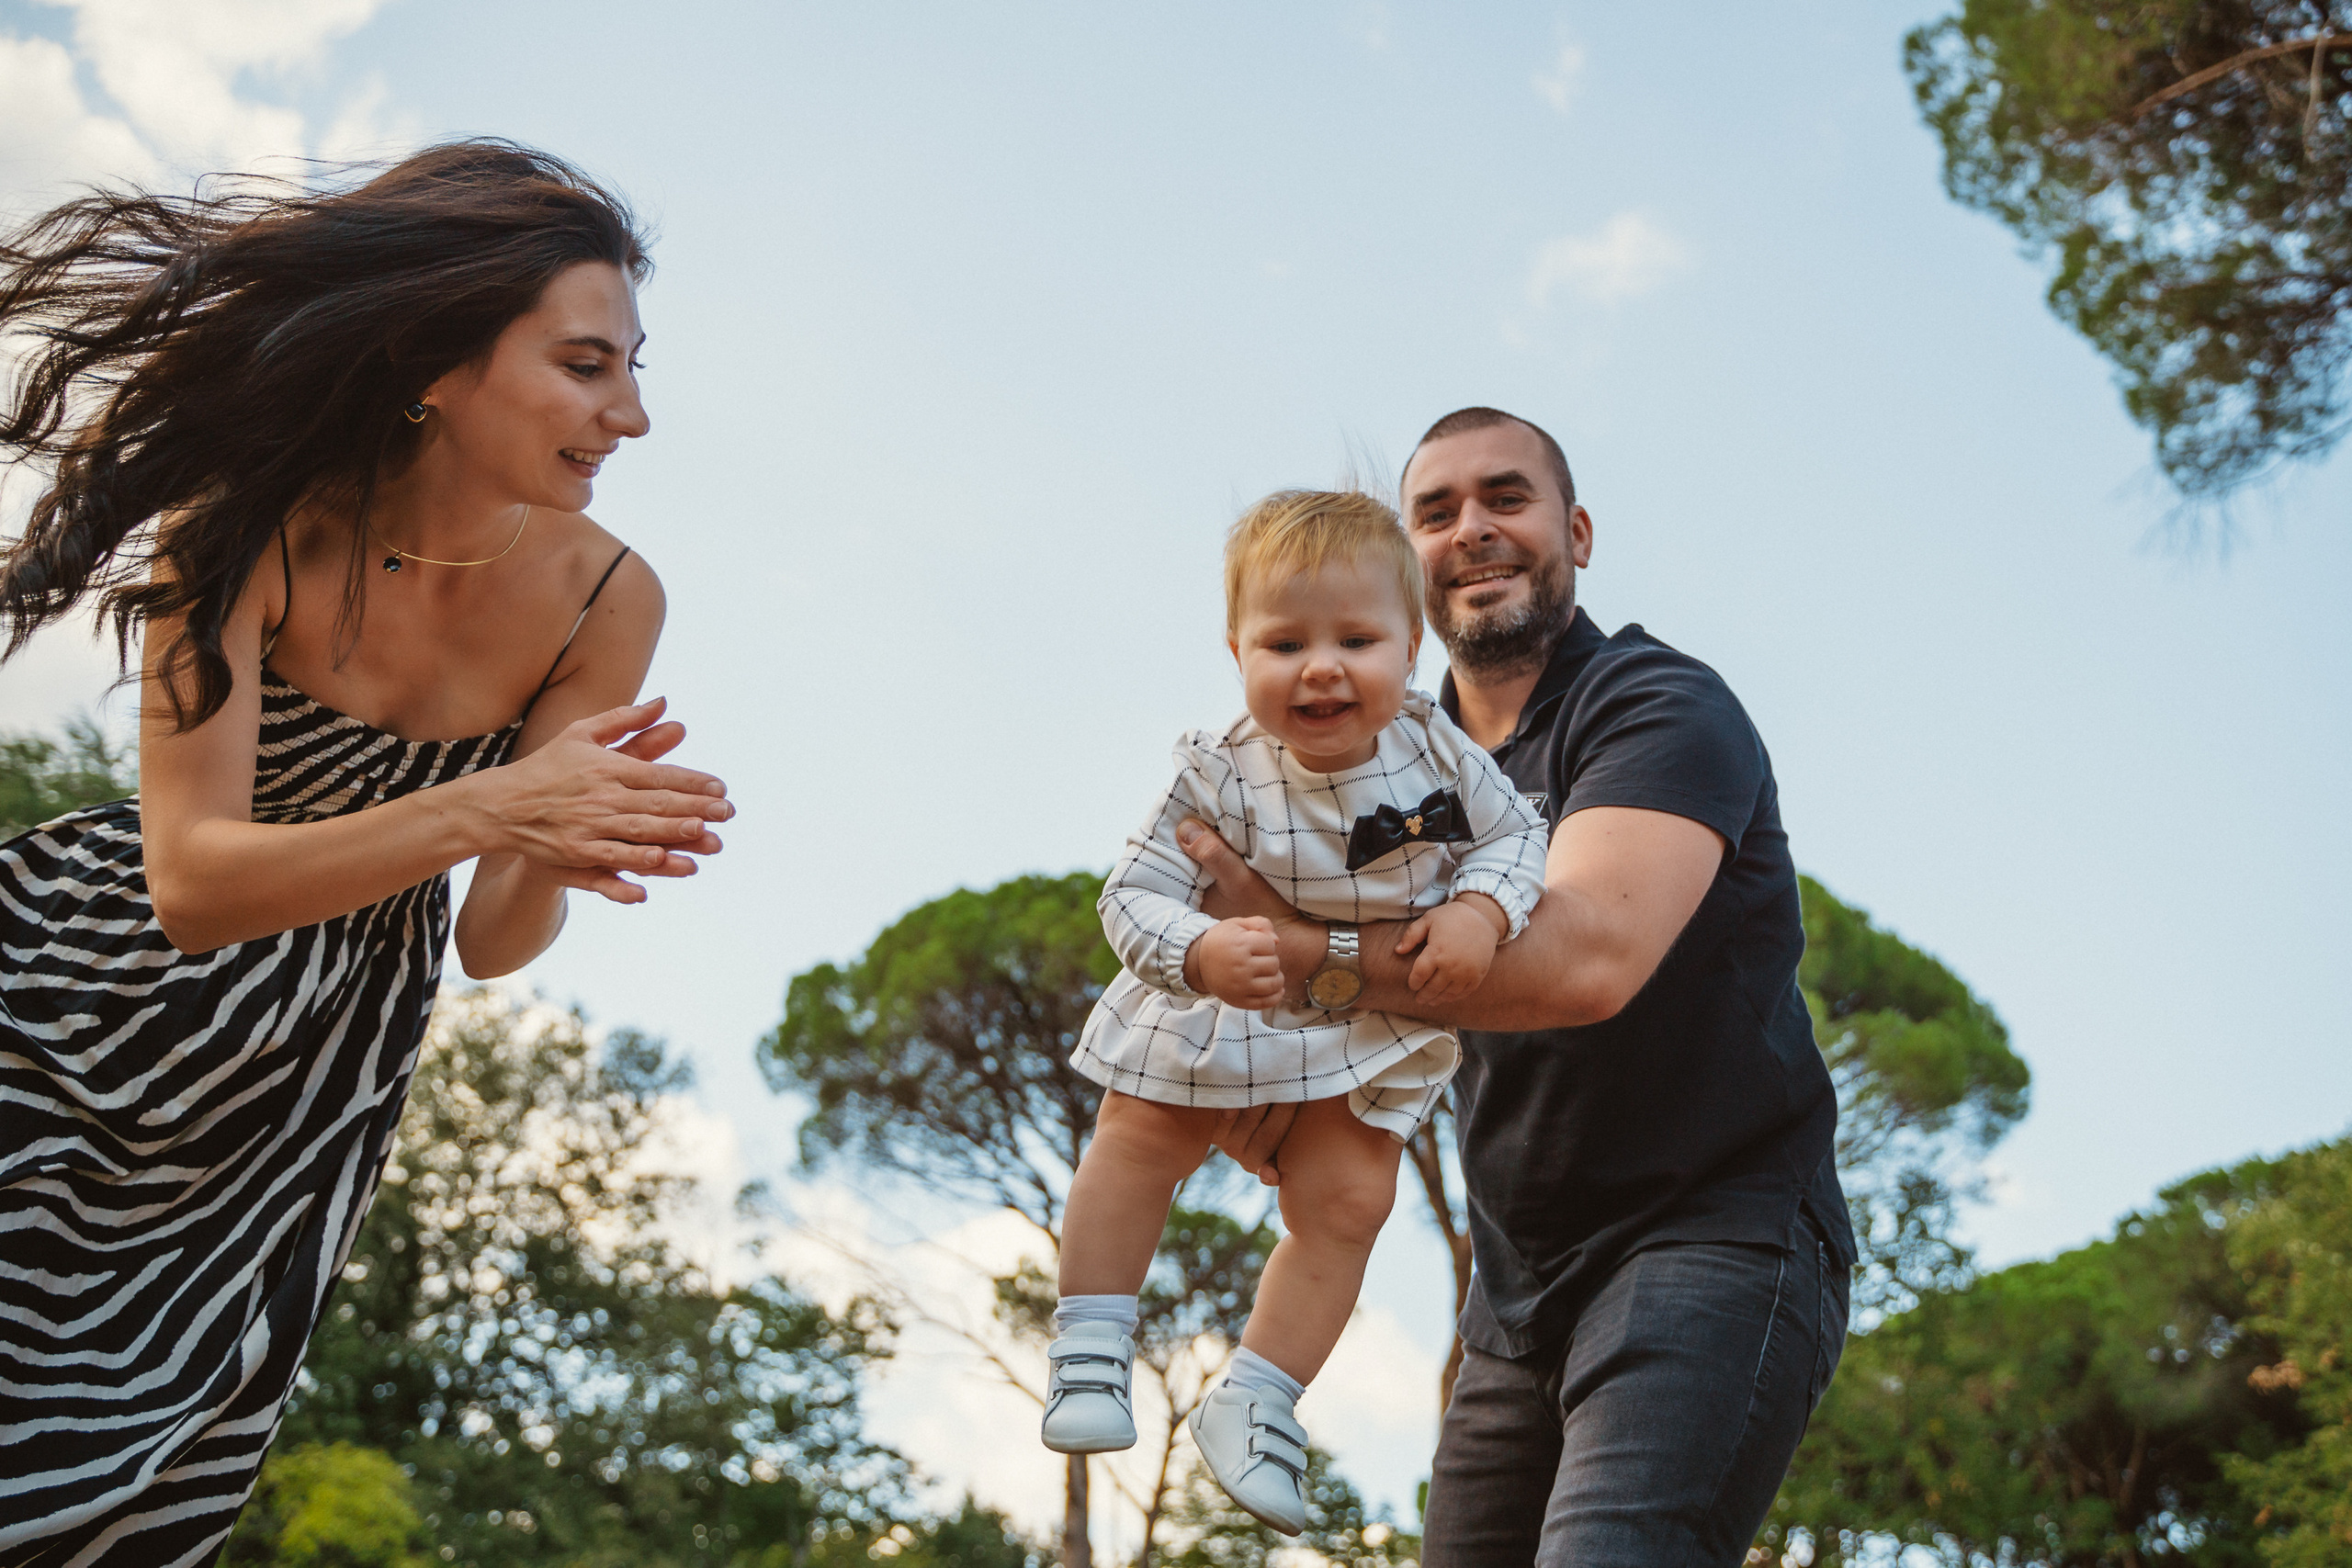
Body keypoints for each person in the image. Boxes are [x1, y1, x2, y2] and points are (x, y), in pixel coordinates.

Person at [0, 142, 731, 1565]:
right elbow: (194, 880)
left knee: (125, 1474)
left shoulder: (608, 596)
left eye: (635, 367)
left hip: (296, 1092)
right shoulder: (245, 523)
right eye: (587, 366)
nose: (630, 413)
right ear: (434, 358)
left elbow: (491, 938)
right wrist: (494, 813)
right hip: (68, 1001)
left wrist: (563, 847)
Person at [1179, 410, 1855, 1566]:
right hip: (1513, 1298)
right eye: (1435, 514)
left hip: (1709, 1236)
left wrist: (1303, 951)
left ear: (1576, 533)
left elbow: (1584, 958)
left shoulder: (1656, 705)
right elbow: (1350, 994)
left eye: (1506, 498)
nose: (1472, 530)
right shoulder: (1388, 768)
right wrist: (1280, 1082)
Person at [1046, 490, 1546, 1534]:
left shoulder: (1443, 755)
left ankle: (1258, 1395)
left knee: (1352, 1202)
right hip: (1226, 995)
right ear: (1236, 651)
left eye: (1355, 639)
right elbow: (1128, 893)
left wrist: (1478, 908)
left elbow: (1517, 841)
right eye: (1285, 642)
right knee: (1136, 1137)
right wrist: (1196, 949)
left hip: (1360, 1021)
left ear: (1411, 646)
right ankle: (1091, 1342)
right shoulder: (1217, 769)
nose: (1320, 667)